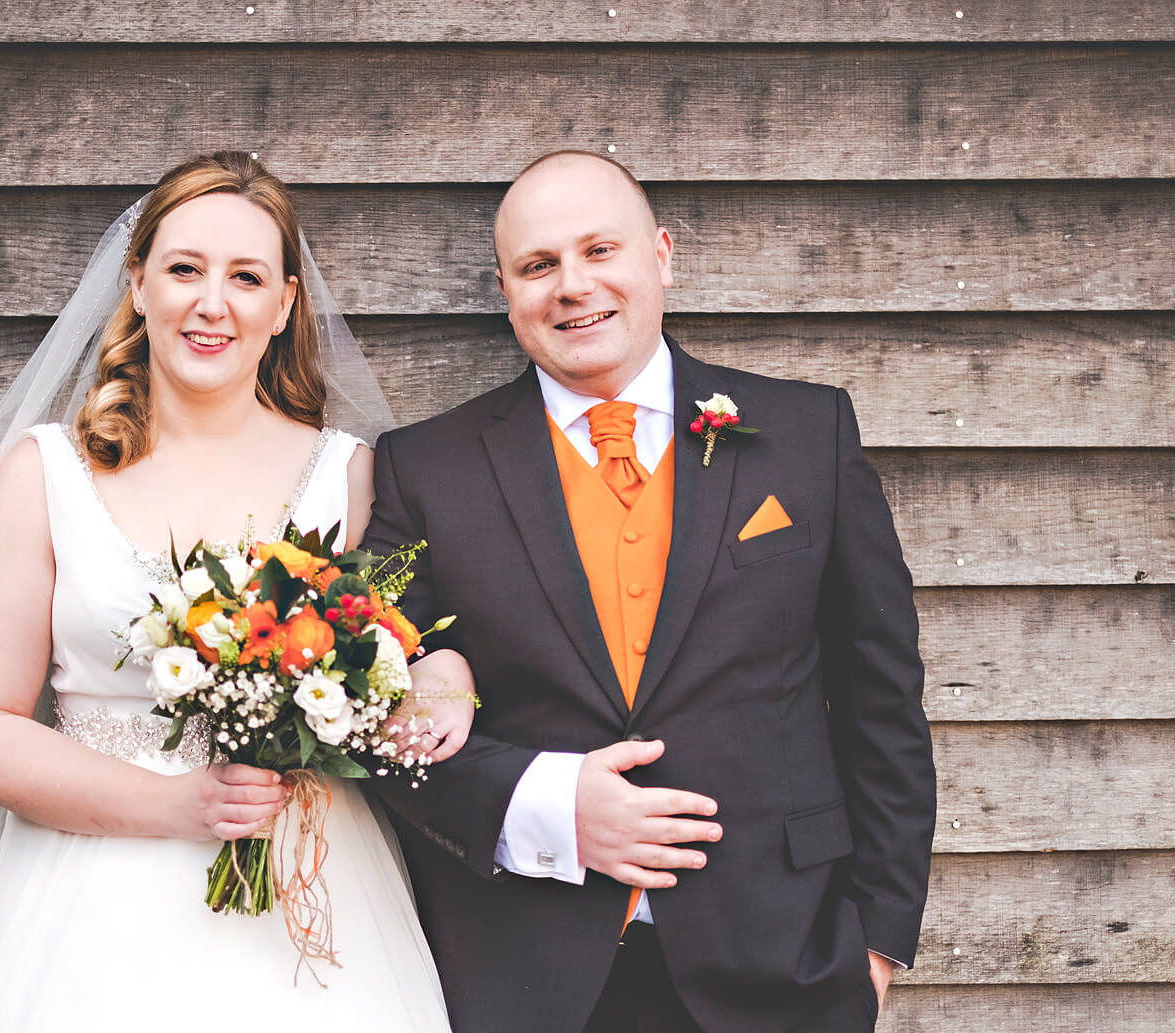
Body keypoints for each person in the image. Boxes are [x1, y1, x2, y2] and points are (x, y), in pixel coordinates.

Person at [363, 151, 937, 1033]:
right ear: (505, 288)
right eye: (538, 265)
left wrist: (879, 945)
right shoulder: (422, 470)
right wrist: (544, 804)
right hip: (521, 975)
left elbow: (882, 701)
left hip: (787, 965)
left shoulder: (807, 433)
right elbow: (371, 722)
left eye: (601, 250)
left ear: (660, 255)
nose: (573, 285)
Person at [0, 151, 468, 1032]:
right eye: (184, 269)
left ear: (283, 305)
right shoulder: (49, 471)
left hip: (307, 892)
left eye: (246, 276)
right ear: (137, 284)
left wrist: (445, 683)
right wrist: (176, 803)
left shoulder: (347, 475)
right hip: (90, 903)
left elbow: (406, 652)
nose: (214, 303)